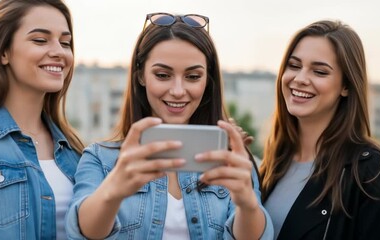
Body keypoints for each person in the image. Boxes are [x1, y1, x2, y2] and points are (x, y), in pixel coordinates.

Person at [66, 12, 273, 240]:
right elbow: (80, 233)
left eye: (193, 76)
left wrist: (247, 205)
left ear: (208, 81)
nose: (177, 90)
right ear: (141, 76)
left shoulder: (233, 160)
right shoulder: (99, 158)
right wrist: (113, 191)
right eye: (163, 75)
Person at [0, 0, 84, 239]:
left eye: (65, 42)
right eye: (40, 40)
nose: (59, 51)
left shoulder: (75, 152)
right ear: (3, 52)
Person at [260, 20, 380, 239]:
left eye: (319, 72)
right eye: (294, 66)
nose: (300, 79)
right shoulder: (274, 161)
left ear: (346, 86)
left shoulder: (371, 170)